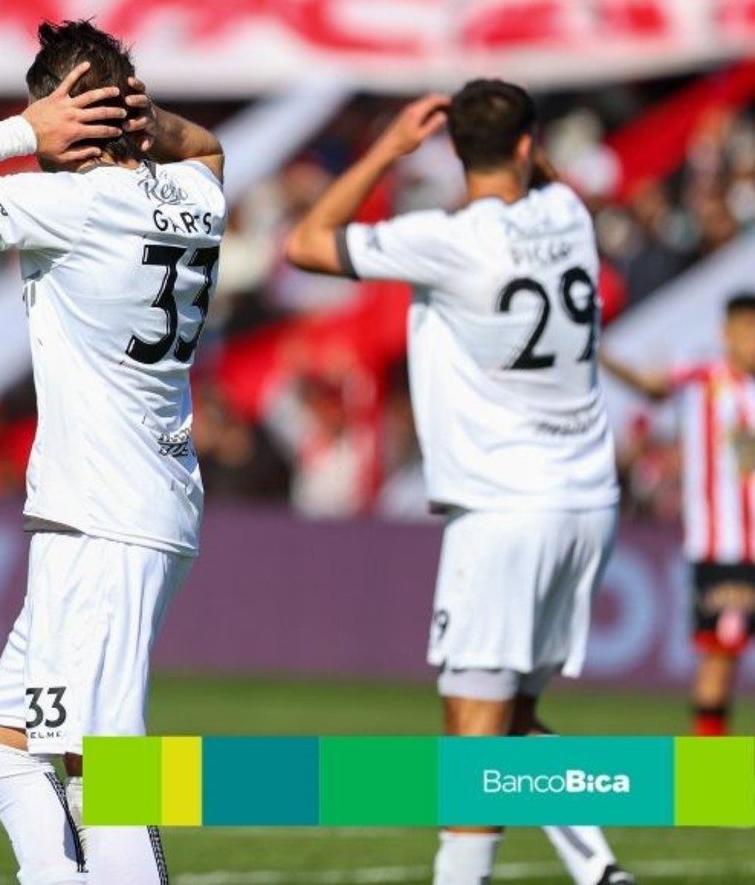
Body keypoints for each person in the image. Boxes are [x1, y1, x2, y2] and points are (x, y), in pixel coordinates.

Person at [0, 19, 225, 885]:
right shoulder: (196, 194)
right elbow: (206, 147)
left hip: (102, 517)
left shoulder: (72, 205)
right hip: (128, 504)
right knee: (4, 749)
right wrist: (145, 120)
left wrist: (21, 134)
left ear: (63, 112)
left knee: (108, 770)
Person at [285, 81, 634, 885]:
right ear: (528, 144)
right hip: (587, 498)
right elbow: (541, 177)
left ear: (451, 150)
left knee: (471, 724)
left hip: (504, 506)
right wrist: (518, 143)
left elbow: (306, 241)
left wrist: (386, 148)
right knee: (509, 718)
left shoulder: (443, 239)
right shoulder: (569, 215)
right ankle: (598, 870)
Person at [603, 292, 755, 737]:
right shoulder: (704, 378)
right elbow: (649, 386)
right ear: (726, 333)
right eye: (747, 330)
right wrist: (597, 350)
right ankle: (708, 770)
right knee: (720, 658)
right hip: (724, 549)